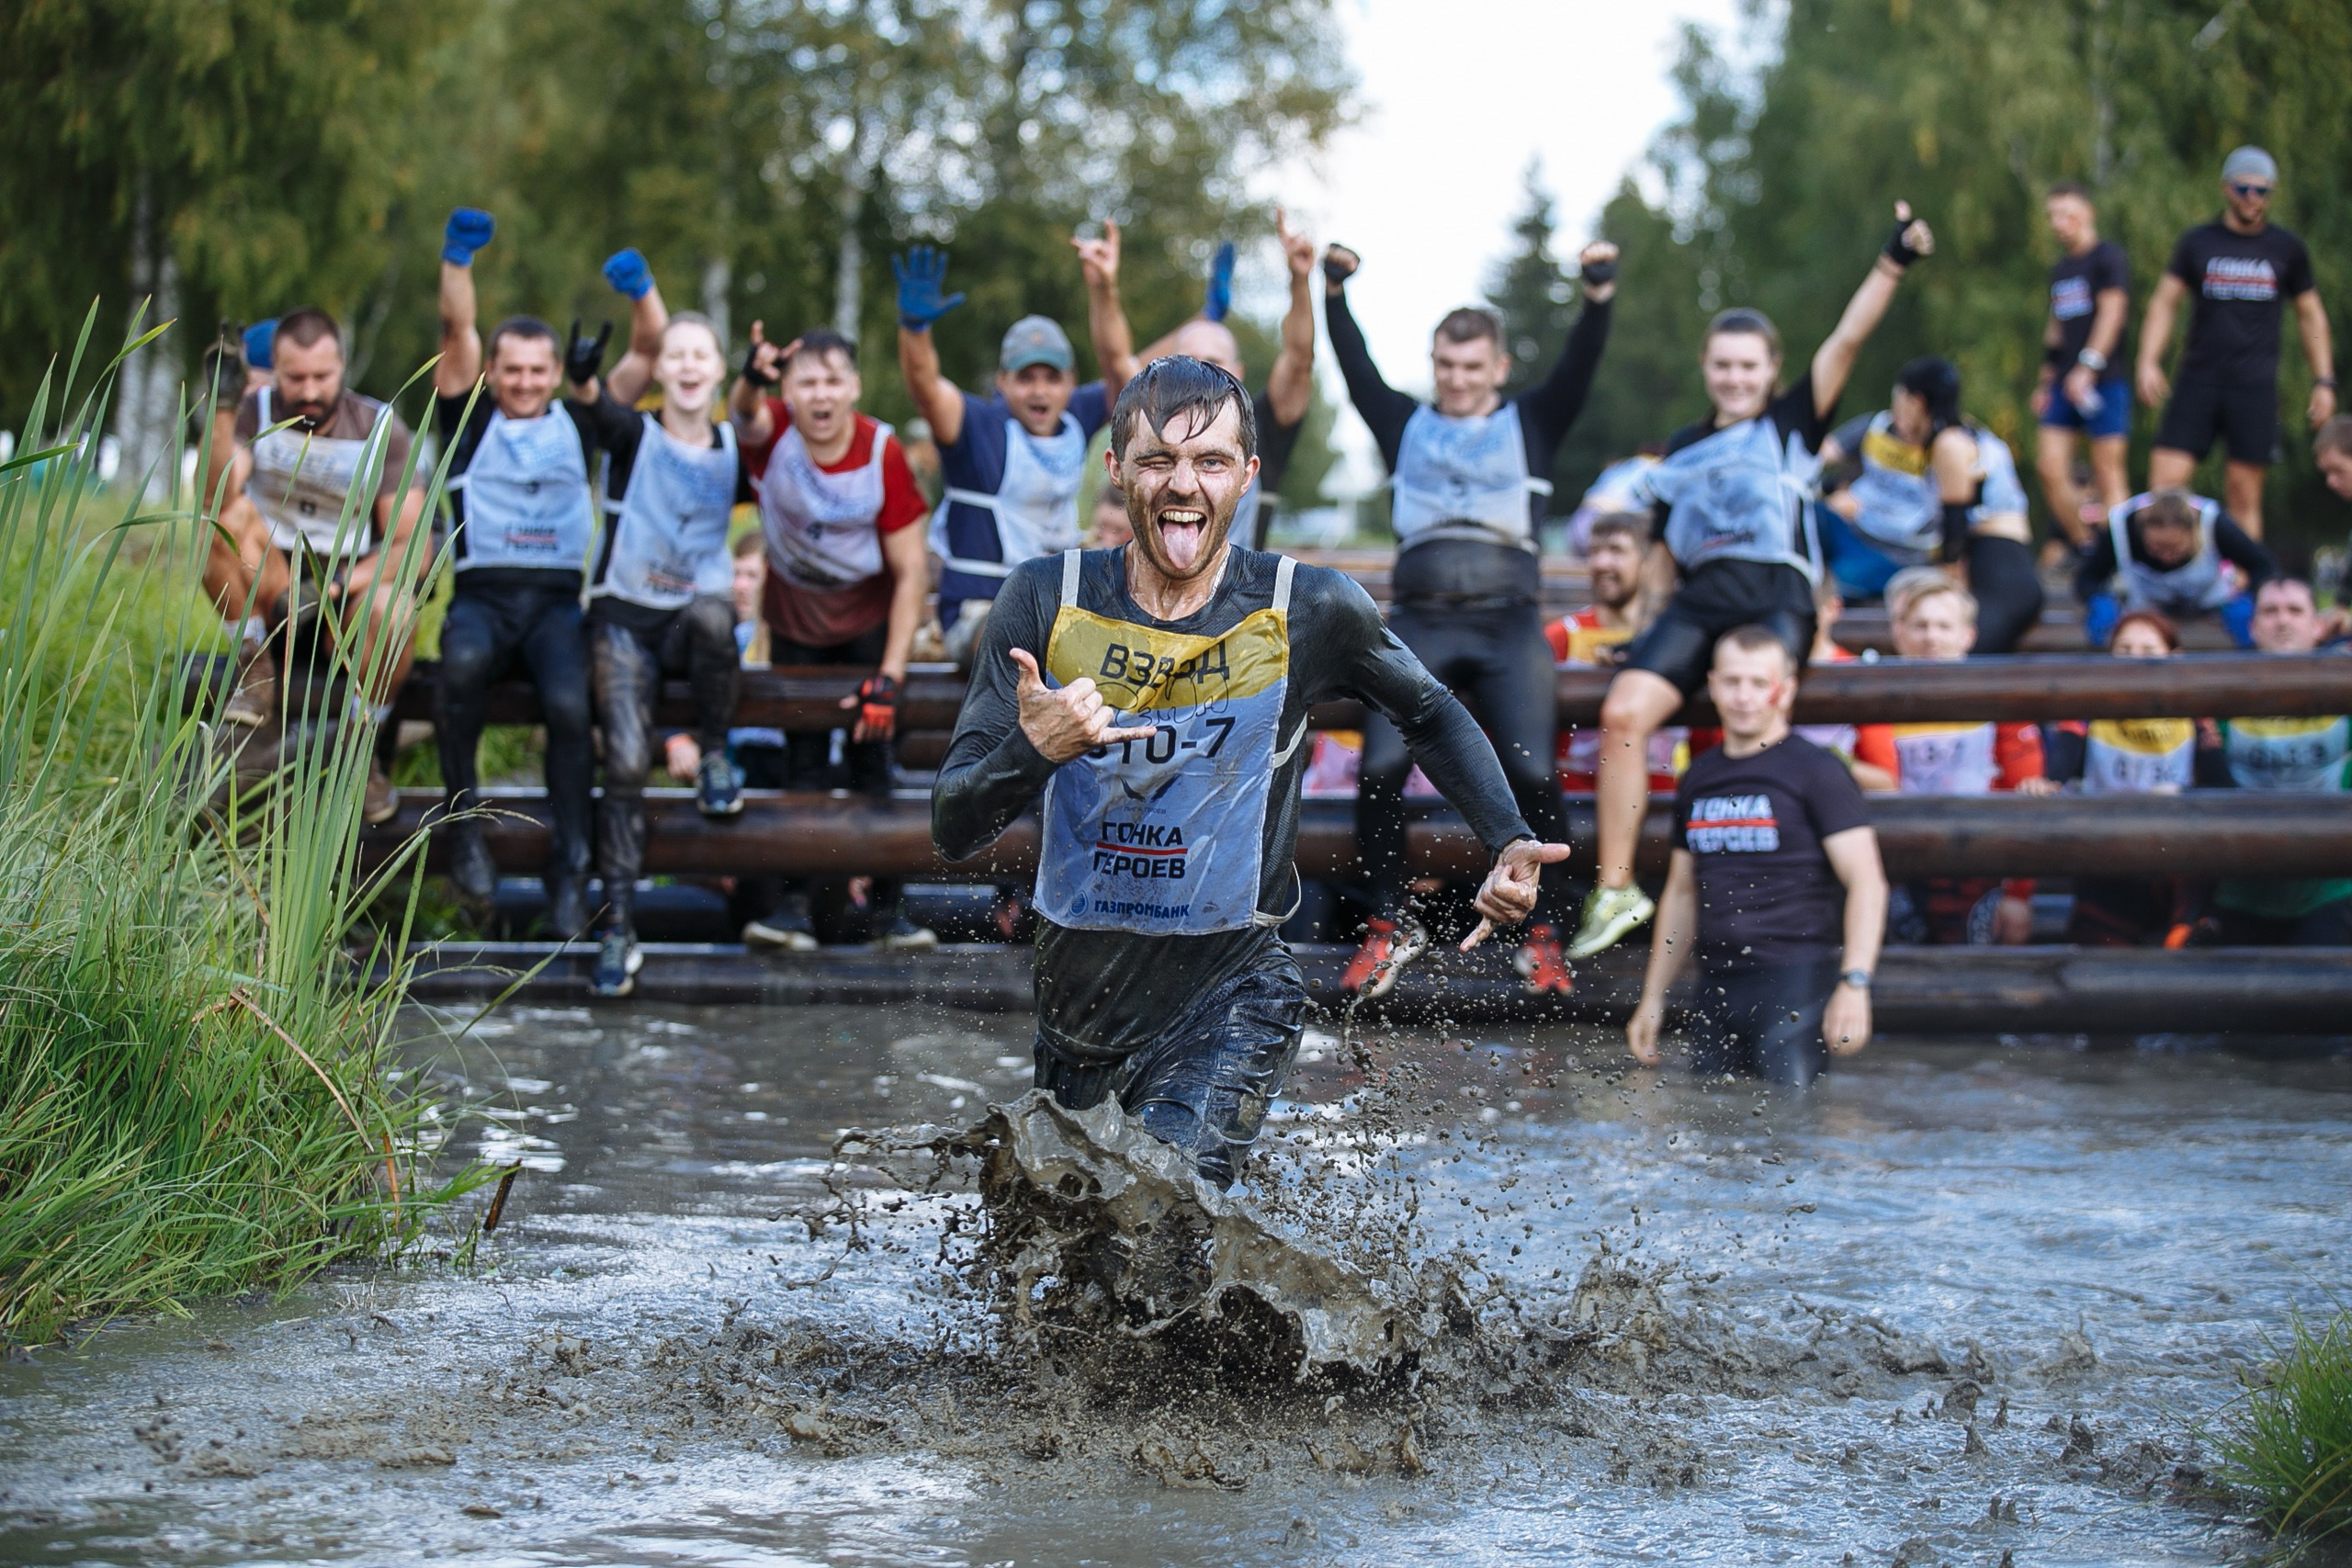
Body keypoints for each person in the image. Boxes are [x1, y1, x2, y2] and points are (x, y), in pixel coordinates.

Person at [932, 356, 1566, 1187]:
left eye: (1210, 462)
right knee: (1069, 1257)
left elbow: (1429, 709)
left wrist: (1507, 835)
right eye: (1157, 460)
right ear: (1117, 469)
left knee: (1161, 1201)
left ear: (1247, 477)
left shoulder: (1308, 604)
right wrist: (1034, 749)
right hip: (1079, 1003)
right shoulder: (1047, 598)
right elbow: (953, 826)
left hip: (1233, 990)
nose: (1181, 484)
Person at [1576, 202, 1934, 958]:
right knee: (1622, 710)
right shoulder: (1681, 449)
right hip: (1701, 599)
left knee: (1753, 716)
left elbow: (1848, 337)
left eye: (1749, 366)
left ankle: (1778, 899)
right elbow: (1666, 556)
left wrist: (1892, 260)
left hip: (1774, 595)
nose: (1736, 377)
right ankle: (1614, 891)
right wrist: (1644, 634)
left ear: (1770, 371)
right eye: (1724, 365)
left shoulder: (1793, 422)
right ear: (1707, 369)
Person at [1323, 231, 1620, 995]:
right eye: (1445, 367)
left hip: (1506, 623)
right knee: (1382, 766)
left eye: (1471, 367)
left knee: (1530, 769)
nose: (1456, 381)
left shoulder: (1533, 422)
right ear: (1434, 366)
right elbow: (1355, 368)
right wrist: (1334, 292)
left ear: (1498, 368)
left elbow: (1581, 366)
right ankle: (1388, 923)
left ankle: (1546, 928)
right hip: (1419, 620)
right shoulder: (1403, 424)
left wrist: (1598, 294)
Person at [431, 207, 638, 937]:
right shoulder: (469, 417)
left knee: (568, 705)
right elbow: (456, 332)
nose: (522, 382)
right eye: (510, 369)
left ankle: (570, 870)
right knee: (458, 667)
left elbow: (646, 350)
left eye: (535, 371)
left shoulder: (577, 417)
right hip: (482, 598)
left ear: (555, 372)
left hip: (554, 603)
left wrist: (641, 296)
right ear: (493, 371)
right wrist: (457, 263)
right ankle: (465, 833)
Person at [729, 325, 936, 953]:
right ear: (788, 390)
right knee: (804, 764)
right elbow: (742, 413)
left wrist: (891, 674)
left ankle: (888, 909)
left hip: (869, 619)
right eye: (807, 382)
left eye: (832, 381)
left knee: (875, 761)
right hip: (795, 621)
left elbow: (911, 573)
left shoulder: (883, 450)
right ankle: (792, 906)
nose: (820, 396)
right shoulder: (773, 433)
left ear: (854, 387)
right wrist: (749, 376)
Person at [576, 298, 754, 997]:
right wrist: (583, 380)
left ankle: (715, 754)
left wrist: (761, 383)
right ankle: (617, 924)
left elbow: (765, 423)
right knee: (622, 761)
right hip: (624, 615)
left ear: (715, 369)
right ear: (659, 367)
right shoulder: (635, 431)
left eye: (698, 355)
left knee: (717, 619)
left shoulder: (733, 443)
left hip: (693, 617)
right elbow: (597, 411)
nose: (685, 365)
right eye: (672, 353)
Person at [1625, 626, 1887, 1089]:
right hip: (1717, 982)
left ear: (1783, 691)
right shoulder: (1699, 776)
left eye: (1758, 683)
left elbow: (1867, 880)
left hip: (1795, 977)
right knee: (1710, 1125)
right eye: (1732, 682)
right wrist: (1653, 995)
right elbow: (1682, 892)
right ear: (1712, 684)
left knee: (1794, 1125)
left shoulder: (1817, 770)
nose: (1743, 697)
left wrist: (1856, 983)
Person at [202, 307, 429, 825]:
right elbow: (214, 495)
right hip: (271, 591)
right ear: (274, 369)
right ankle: (253, 667)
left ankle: (360, 745)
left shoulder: (380, 428)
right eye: (295, 377)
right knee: (220, 518)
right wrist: (221, 408)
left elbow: (412, 547)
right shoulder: (252, 411)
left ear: (343, 367)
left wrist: (339, 587)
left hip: (345, 607)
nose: (308, 391)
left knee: (393, 608)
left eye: (321, 377)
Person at [896, 231, 1134, 667]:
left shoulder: (1076, 418)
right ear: (1002, 383)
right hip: (978, 616)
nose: (1039, 391)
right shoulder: (977, 429)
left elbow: (1121, 366)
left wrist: (1104, 289)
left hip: (1059, 615)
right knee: (1022, 637)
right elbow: (926, 387)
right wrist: (915, 330)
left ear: (1070, 382)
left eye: (1051, 378)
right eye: (1026, 378)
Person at [2137, 147, 2335, 539]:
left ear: (2271, 193)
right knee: (2164, 486)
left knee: (2243, 494)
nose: (2252, 198)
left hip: (2253, 384)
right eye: (2243, 188)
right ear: (2226, 188)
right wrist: (2148, 360)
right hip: (2198, 379)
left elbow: (2310, 314)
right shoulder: (2198, 242)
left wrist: (2324, 380)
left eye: (2262, 191)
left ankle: (2246, 590)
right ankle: (2163, 578)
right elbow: (2164, 303)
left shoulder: (2286, 249)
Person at [1096, 209, 1320, 549]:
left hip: (1240, 597)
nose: (1203, 372)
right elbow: (1117, 361)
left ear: (1239, 372)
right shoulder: (1148, 413)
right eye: (1190, 361)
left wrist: (1300, 280)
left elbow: (1300, 357)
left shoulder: (1264, 425)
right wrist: (1103, 286)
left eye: (1214, 362)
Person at [1851, 572, 2050, 946]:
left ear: (1967, 635)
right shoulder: (1870, 697)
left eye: (1944, 625)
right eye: (1920, 625)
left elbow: (2026, 798)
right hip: (1894, 865)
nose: (1932, 637)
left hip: (1977, 864)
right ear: (1899, 631)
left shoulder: (2001, 701)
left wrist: (2019, 895)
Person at [1813, 356, 2042, 653]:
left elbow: (1955, 523)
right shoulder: (1965, 434)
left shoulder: (1949, 443)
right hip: (1996, 564)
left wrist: (1949, 577)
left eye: (1899, 398)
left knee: (1954, 659)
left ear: (1916, 400)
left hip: (2002, 570)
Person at [2195, 578, 2352, 945]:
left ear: (2318, 626)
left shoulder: (2346, 688)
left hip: (2329, 890)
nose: (2282, 621)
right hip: (2239, 890)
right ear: (2252, 628)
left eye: (2295, 611)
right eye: (2270, 611)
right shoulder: (2220, 699)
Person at [2041, 609, 2204, 946]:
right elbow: (2058, 767)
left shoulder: (2197, 716)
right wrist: (2044, 783)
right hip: (2107, 858)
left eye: (2148, 651)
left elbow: (2221, 785)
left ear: (2174, 657)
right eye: (2125, 650)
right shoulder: (2088, 710)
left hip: (2173, 862)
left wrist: (2183, 794)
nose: (2135, 661)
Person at [1548, 513, 1680, 795]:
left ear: (1648, 562)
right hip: (1575, 797)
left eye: (1616, 551)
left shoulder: (1676, 641)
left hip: (1662, 797)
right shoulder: (1563, 637)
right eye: (1594, 551)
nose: (1600, 563)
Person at [2032, 182, 2134, 547]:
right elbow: (2057, 326)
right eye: (2053, 216)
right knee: (2049, 468)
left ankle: (2120, 555)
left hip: (2104, 380)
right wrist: (2046, 382)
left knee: (2108, 471)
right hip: (2062, 383)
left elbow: (2113, 315)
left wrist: (2088, 366)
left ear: (2088, 213)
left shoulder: (2108, 259)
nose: (2059, 223)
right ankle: (2085, 547)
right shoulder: (2061, 269)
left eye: (2067, 213)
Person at [2074, 486, 2275, 648]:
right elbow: (2088, 577)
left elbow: (2263, 567)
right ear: (2141, 531)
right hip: (2146, 614)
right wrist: (2099, 600)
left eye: (2175, 549)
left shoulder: (2215, 524)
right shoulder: (2121, 528)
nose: (2166, 557)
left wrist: (2249, 599)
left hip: (2213, 611)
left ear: (2193, 531)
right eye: (2156, 548)